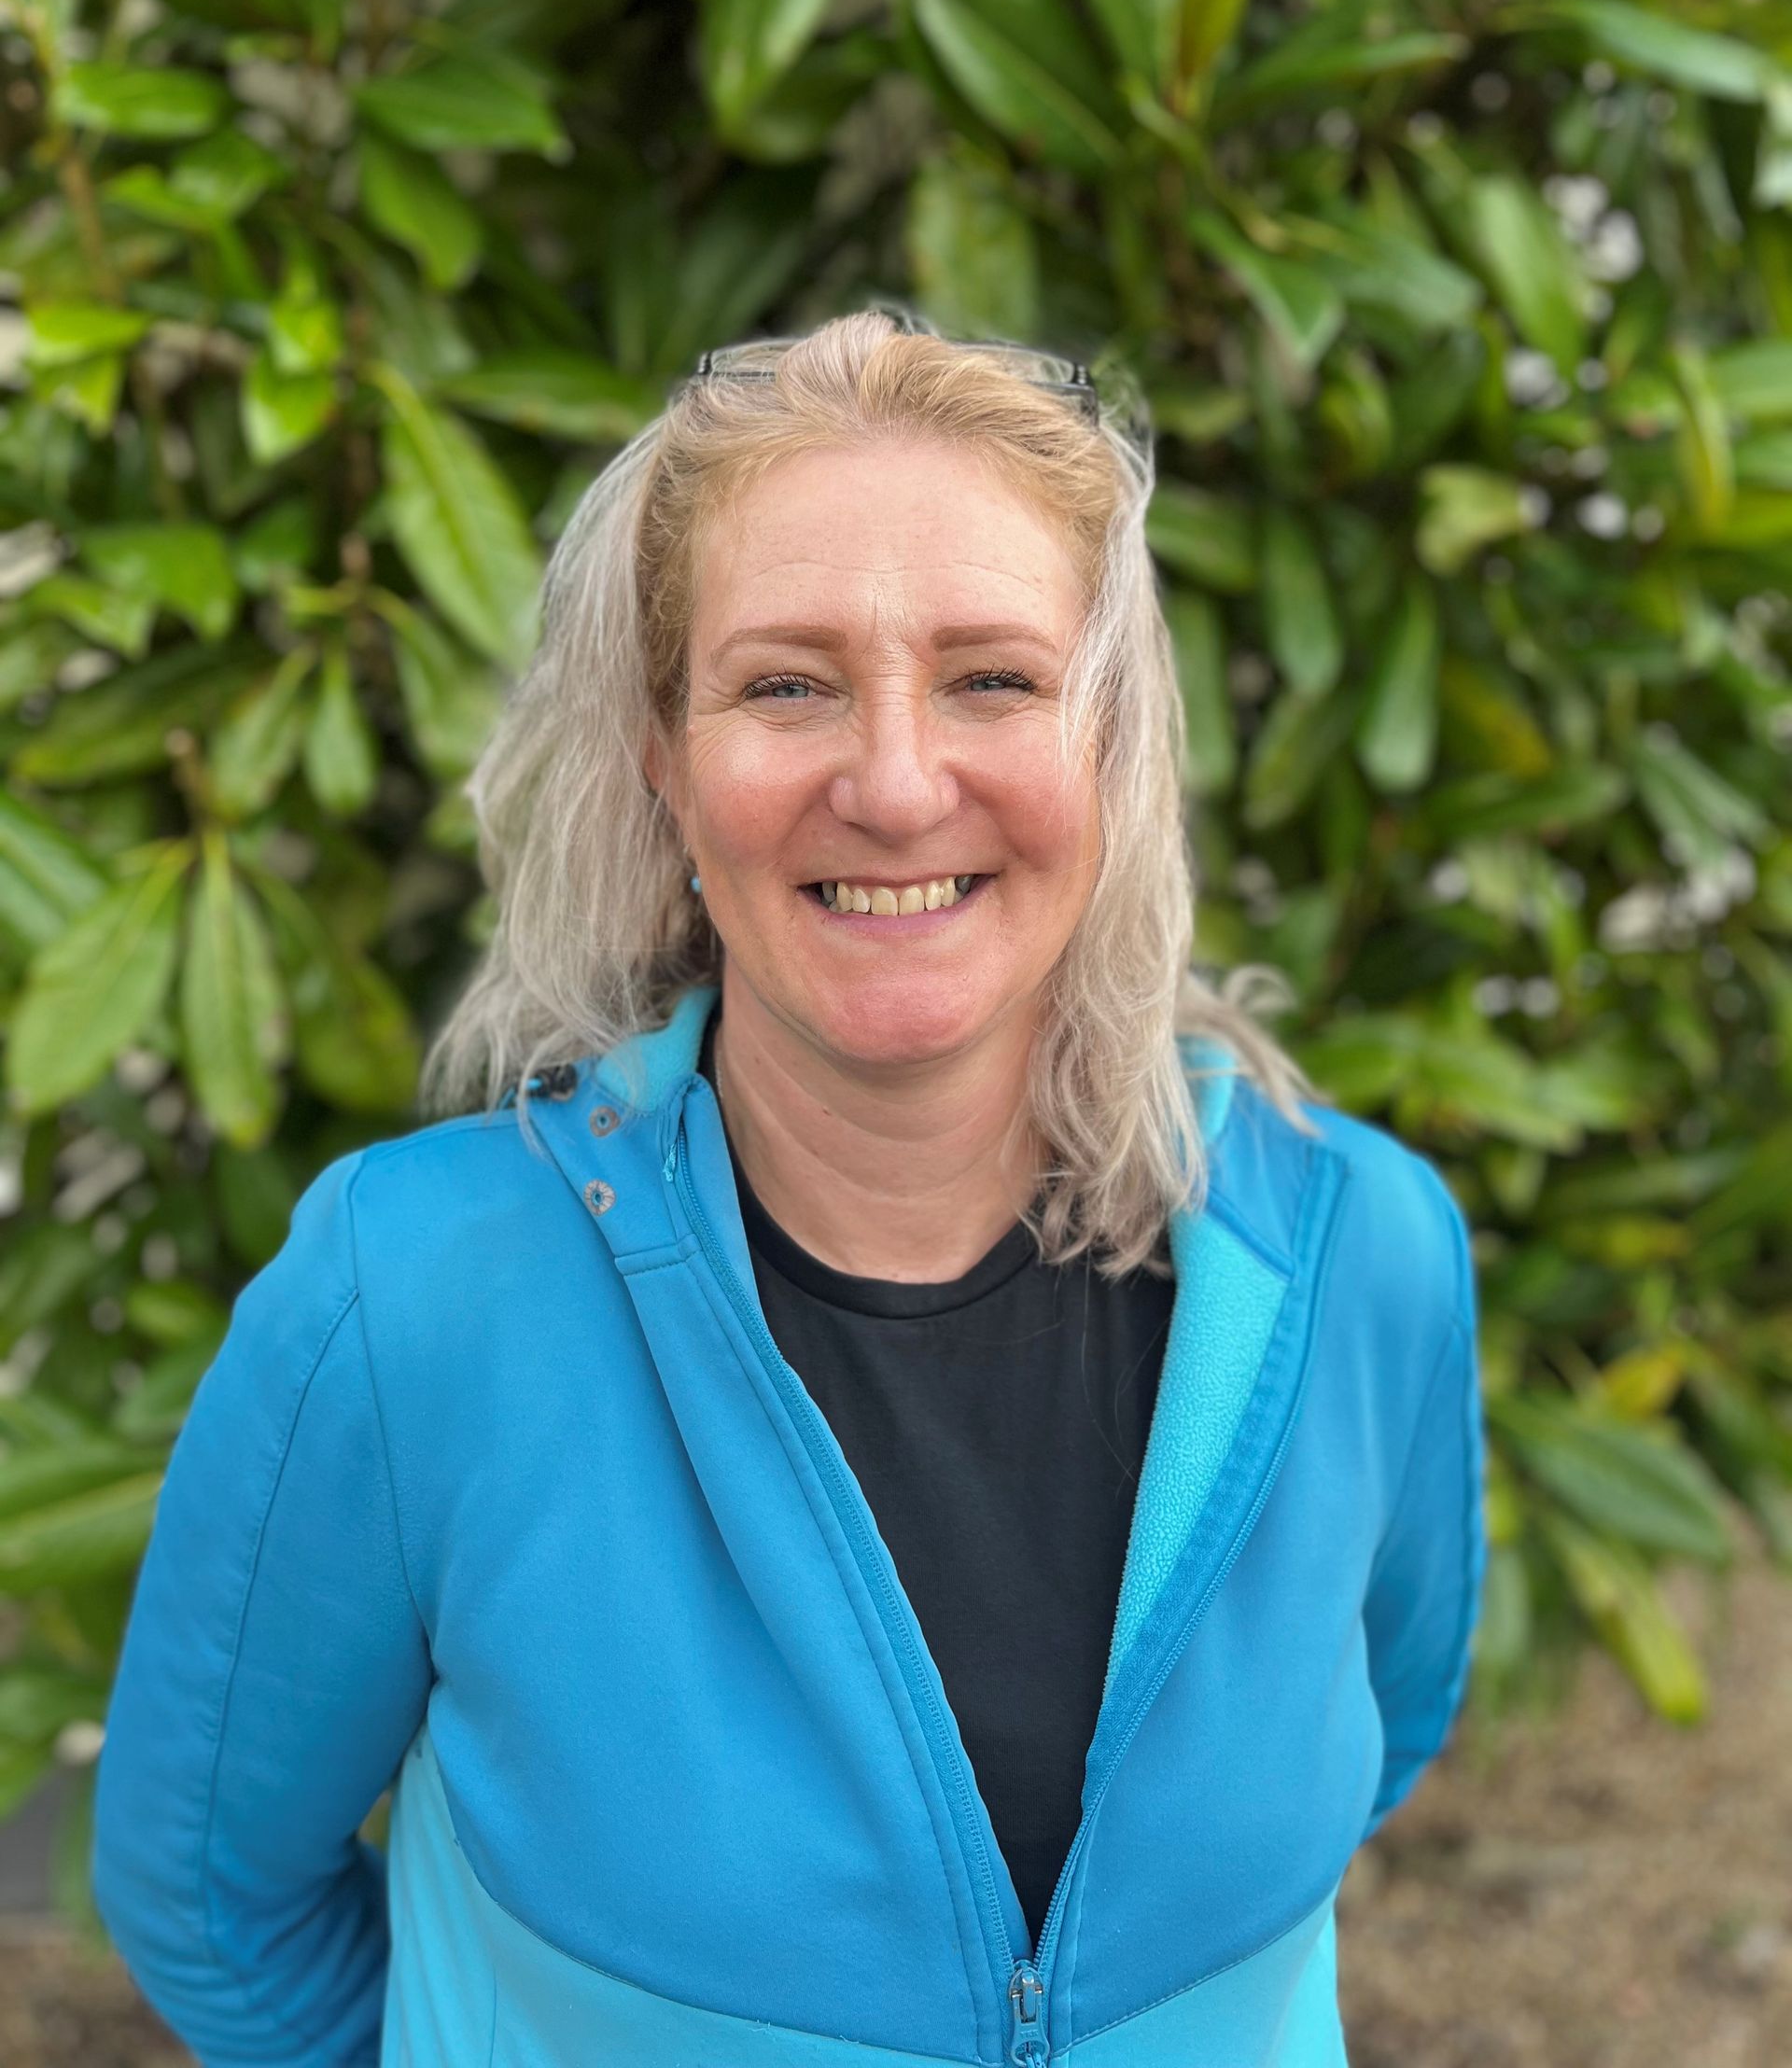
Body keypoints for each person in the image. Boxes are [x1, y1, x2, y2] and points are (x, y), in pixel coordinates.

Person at [90, 304, 1486, 2067]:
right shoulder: (411, 1300)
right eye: (785, 684)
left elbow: (1392, 1715)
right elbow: (205, 1895)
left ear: (1109, 747)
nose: (897, 785)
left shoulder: (1359, 1256)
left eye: (994, 677)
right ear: (667, 764)